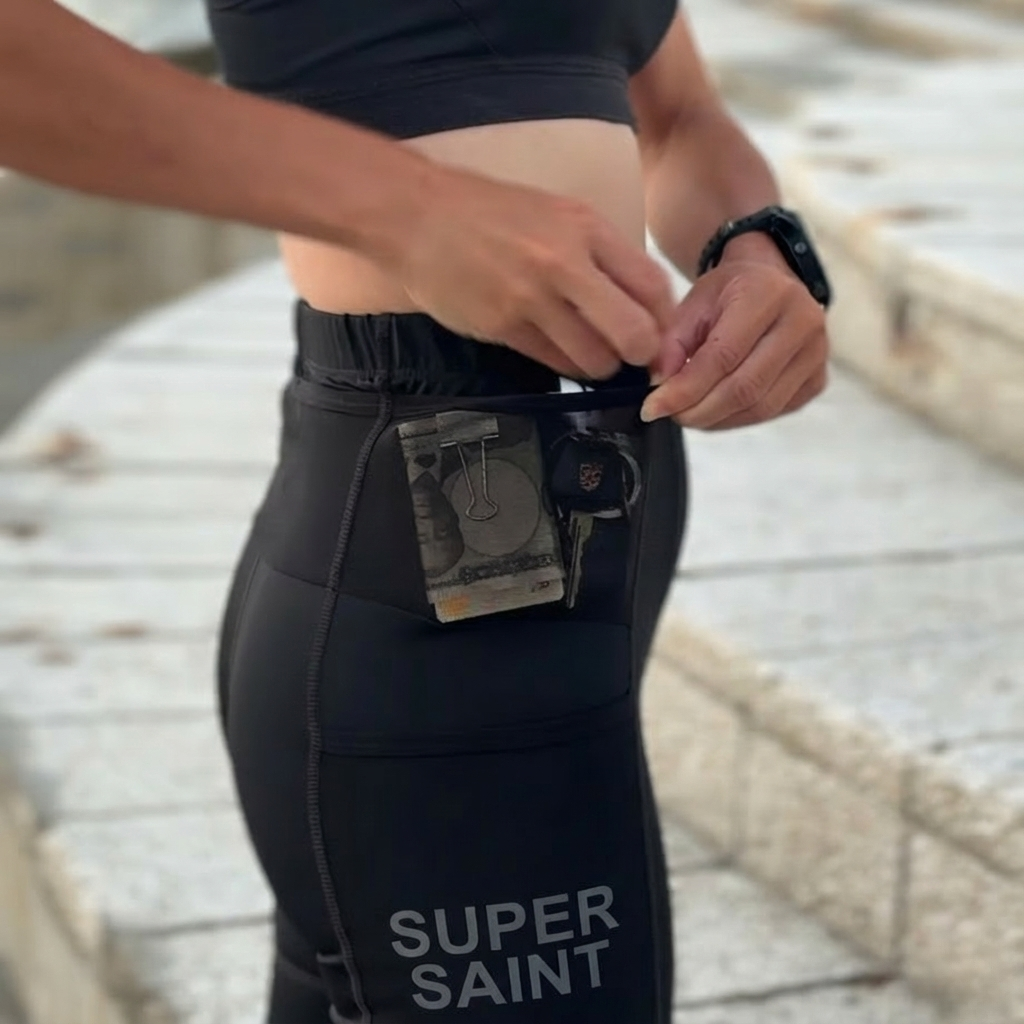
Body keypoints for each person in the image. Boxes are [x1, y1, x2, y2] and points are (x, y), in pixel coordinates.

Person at [1, 0, 831, 1020]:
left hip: (582, 499)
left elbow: (681, 117)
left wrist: (756, 246)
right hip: (431, 511)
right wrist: (410, 207)